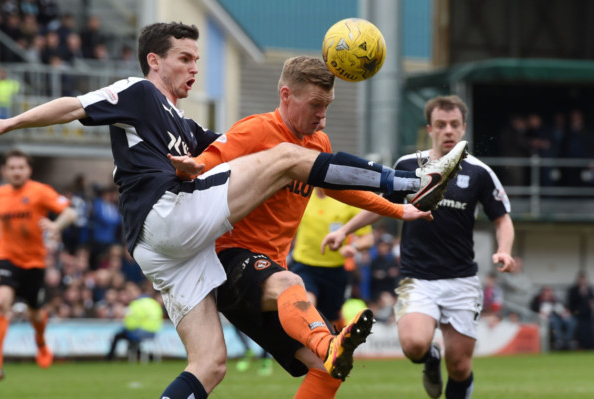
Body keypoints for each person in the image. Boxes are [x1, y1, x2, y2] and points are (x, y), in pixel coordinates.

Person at [0, 23, 464, 398]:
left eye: (196, 59)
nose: (193, 68)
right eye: (185, 59)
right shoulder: (139, 93)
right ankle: (413, 180)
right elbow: (73, 105)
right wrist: (8, 123)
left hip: (169, 254)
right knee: (289, 159)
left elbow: (220, 153)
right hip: (165, 215)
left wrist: (198, 163)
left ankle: (324, 344)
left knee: (209, 364)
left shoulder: (186, 123)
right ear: (154, 61)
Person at [173, 56, 465, 398]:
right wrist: (194, 165)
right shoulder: (256, 129)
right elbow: (214, 157)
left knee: (326, 372)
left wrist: (398, 212)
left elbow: (342, 190)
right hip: (227, 260)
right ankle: (328, 343)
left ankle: (327, 349)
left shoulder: (318, 143)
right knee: (290, 284)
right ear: (286, 96)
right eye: (315, 105)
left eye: (327, 106)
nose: (322, 116)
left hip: (268, 270)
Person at [323, 95, 516, 399]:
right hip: (416, 278)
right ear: (430, 128)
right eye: (441, 125)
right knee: (414, 346)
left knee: (460, 365)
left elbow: (502, 219)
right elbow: (382, 205)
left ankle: (448, 369)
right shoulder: (409, 165)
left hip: (461, 279)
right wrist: (346, 230)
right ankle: (429, 359)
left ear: (463, 127)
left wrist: (504, 250)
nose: (448, 130)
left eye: (454, 124)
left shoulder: (479, 172)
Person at [0, 149, 77, 384]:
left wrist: (56, 227)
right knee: (1, 302)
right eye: (12, 168)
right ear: (5, 170)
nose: (16, 171)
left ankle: (41, 344)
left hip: (34, 262)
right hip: (7, 258)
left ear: (28, 170)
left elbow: (70, 213)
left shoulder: (40, 191)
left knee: (35, 313)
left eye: (20, 167)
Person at [291, 187, 373, 329]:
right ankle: (300, 345)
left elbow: (368, 238)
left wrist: (353, 247)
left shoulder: (348, 199)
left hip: (335, 270)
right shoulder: (302, 195)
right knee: (307, 304)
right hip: (304, 265)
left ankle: (331, 347)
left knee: (331, 321)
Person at [105, 283, 164, 361]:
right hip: (153, 332)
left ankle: (110, 358)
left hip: (140, 332)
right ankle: (144, 356)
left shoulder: (136, 304)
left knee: (120, 335)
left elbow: (130, 324)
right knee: (130, 336)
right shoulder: (154, 303)